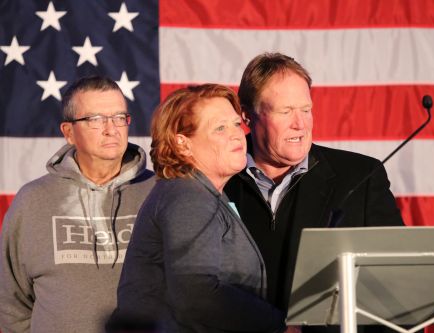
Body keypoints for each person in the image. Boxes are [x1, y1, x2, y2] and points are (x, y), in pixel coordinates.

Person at [224, 53, 405, 333]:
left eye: (305, 109)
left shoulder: (361, 176)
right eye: (285, 112)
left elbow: (399, 291)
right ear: (248, 115)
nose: (301, 124)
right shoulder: (216, 179)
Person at [114, 84, 285, 332]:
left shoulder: (202, 193)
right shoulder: (187, 196)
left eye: (237, 124)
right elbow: (195, 294)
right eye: (220, 128)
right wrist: (277, 324)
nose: (237, 135)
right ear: (182, 143)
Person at [0, 76, 155, 333]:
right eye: (95, 119)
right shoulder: (33, 200)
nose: (111, 128)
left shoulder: (159, 193)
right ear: (69, 132)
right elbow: (10, 302)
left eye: (119, 117)